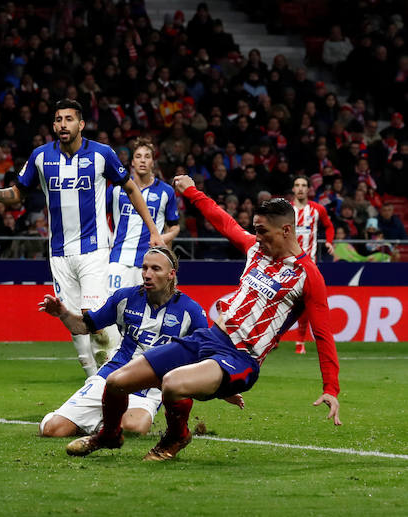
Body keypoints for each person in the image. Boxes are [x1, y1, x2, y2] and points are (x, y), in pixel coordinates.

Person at [65, 175, 341, 462]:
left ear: (286, 230)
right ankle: (109, 435)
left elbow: (323, 335)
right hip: (208, 338)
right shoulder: (256, 251)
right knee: (116, 381)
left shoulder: (308, 276)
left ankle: (176, 437)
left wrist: (330, 388)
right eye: (255, 231)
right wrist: (193, 192)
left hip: (240, 358)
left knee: (172, 384)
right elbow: (224, 222)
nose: (257, 237)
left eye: (263, 232)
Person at [0, 99, 164, 377]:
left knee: (93, 320)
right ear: (53, 125)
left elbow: (131, 189)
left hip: (94, 251)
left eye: (69, 119)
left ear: (81, 124)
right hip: (59, 254)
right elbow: (17, 194)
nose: (63, 124)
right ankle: (92, 382)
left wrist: (153, 230)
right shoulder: (40, 156)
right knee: (72, 322)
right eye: (59, 119)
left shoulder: (101, 154)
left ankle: (114, 377)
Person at [39, 247, 209, 438]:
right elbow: (84, 327)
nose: (147, 274)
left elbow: (207, 354)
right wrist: (63, 314)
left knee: (133, 427)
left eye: (155, 269)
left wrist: (226, 388)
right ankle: (95, 422)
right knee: (52, 430)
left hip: (150, 385)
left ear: (171, 274)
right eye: (144, 268)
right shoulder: (125, 298)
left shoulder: (191, 311)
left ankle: (103, 426)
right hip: (113, 375)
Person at [103, 138, 180, 363]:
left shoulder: (165, 192)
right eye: (138, 156)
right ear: (131, 162)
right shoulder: (117, 190)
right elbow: (101, 217)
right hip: (118, 259)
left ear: (153, 162)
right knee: (112, 309)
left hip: (148, 263)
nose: (143, 160)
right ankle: (111, 359)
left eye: (147, 156)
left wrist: (163, 237)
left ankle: (145, 361)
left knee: (148, 312)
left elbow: (174, 225)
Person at [290, 175, 334, 354]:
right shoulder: (286, 210)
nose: (300, 188)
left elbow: (329, 226)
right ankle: (273, 338)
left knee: (306, 303)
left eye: (304, 185)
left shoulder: (317, 210)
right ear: (293, 189)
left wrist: (329, 241)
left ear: (308, 189)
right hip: (287, 263)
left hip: (309, 265)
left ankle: (300, 342)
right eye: (297, 185)